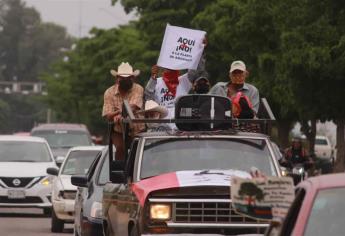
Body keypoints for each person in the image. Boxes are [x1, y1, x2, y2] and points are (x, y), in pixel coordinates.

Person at [144, 41, 208, 128]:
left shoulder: (183, 81)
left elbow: (197, 69)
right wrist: (153, 77)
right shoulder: (156, 82)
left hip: (182, 128)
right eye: (168, 66)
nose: (170, 69)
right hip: (161, 129)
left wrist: (201, 50)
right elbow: (148, 98)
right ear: (164, 67)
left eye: (173, 66)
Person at [102, 62, 145, 160]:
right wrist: (118, 114)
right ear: (117, 79)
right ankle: (120, 172)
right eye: (123, 78)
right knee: (120, 149)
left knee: (138, 152)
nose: (125, 80)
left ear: (132, 78)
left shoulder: (138, 89)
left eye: (128, 78)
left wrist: (119, 113)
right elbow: (108, 115)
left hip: (138, 130)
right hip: (118, 130)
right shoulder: (109, 92)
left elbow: (134, 106)